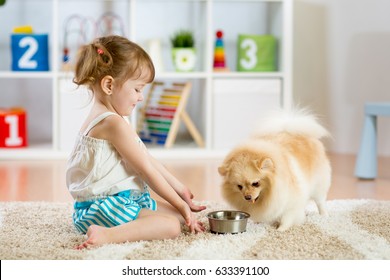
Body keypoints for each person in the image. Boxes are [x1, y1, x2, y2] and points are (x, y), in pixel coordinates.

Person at [66, 35, 206, 249]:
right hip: (102, 206)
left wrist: (180, 190)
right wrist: (180, 204)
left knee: (179, 217)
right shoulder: (112, 124)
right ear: (109, 85)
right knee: (172, 227)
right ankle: (105, 235)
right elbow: (146, 171)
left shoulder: (108, 118)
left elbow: (144, 157)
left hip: (116, 200)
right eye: (138, 89)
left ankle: (115, 227)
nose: (141, 97)